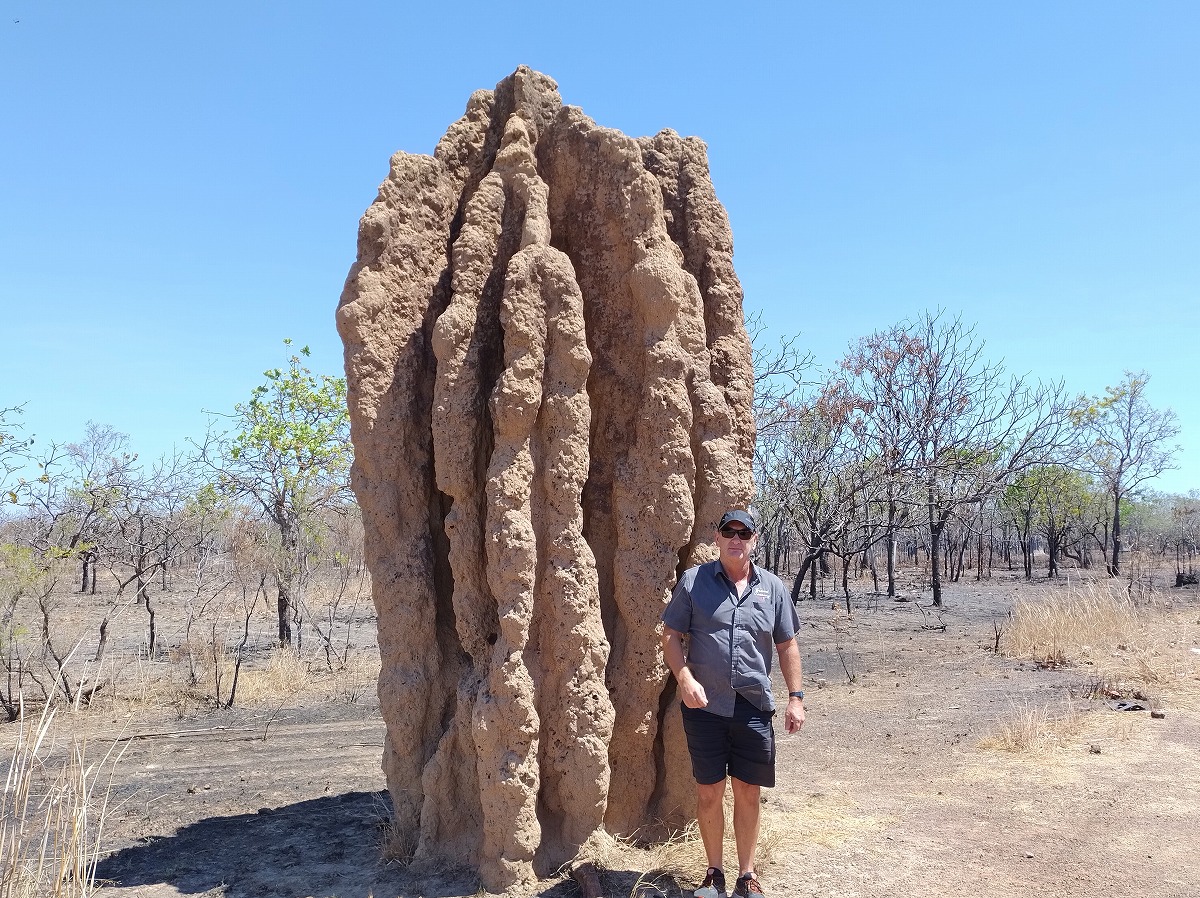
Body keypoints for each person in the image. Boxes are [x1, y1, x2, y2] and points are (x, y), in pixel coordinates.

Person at [661, 509, 805, 898]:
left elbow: (787, 643)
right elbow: (671, 633)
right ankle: (713, 874)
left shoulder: (772, 588)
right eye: (729, 532)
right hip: (704, 707)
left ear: (755, 540)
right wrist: (684, 678)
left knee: (748, 790)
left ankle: (746, 875)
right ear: (717, 537)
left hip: (753, 707)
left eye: (744, 533)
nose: (736, 539)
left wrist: (795, 698)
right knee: (709, 791)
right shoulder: (695, 582)